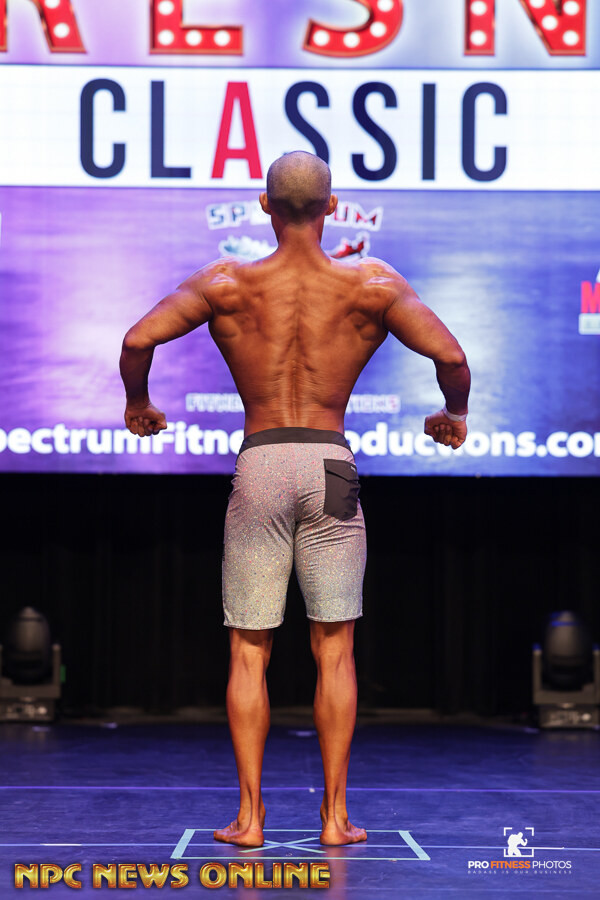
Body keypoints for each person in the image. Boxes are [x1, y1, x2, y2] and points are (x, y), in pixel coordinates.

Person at [120, 151, 470, 848]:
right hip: (332, 466)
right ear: (332, 207)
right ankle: (335, 819)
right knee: (334, 648)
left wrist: (139, 403)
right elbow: (453, 359)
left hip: (262, 464)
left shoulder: (225, 282)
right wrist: (452, 414)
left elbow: (137, 340)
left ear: (265, 205)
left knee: (249, 650)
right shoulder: (372, 283)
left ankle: (250, 820)